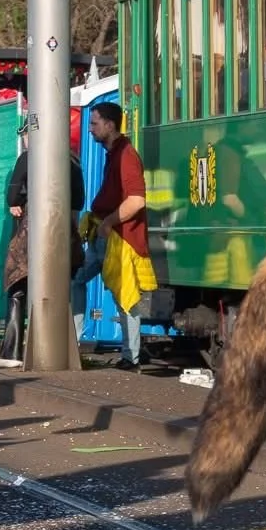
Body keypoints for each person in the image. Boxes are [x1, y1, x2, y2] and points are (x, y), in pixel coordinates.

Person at [0, 116, 86, 368]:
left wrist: (17, 202)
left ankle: (11, 352)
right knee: (60, 287)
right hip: (63, 231)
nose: (25, 139)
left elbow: (12, 196)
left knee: (17, 286)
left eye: (26, 134)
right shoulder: (73, 161)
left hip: (31, 231)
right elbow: (79, 201)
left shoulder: (28, 158)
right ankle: (61, 348)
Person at [82, 101, 152, 369]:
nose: (90, 129)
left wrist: (109, 222)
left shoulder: (126, 155)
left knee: (125, 294)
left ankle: (131, 356)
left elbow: (137, 200)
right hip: (107, 234)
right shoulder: (115, 153)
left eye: (94, 123)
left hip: (118, 238)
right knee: (80, 281)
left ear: (110, 125)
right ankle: (128, 353)